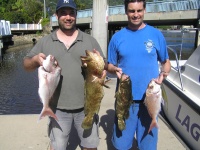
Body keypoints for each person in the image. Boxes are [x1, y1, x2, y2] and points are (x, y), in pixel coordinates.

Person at [23, 0, 106, 150]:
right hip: (58, 108)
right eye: (63, 13)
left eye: (71, 13)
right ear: (56, 15)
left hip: (87, 105)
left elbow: (104, 65)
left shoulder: (89, 40)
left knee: (90, 146)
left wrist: (101, 67)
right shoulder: (46, 41)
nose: (68, 17)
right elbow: (26, 65)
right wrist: (35, 60)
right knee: (57, 147)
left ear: (76, 15)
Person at [107, 0, 171, 150]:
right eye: (131, 11)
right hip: (125, 99)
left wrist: (164, 73)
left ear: (144, 10)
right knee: (121, 145)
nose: (135, 15)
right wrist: (114, 70)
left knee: (148, 145)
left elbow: (165, 61)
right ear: (126, 12)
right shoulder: (117, 37)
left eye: (139, 10)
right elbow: (109, 65)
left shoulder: (156, 35)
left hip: (151, 98)